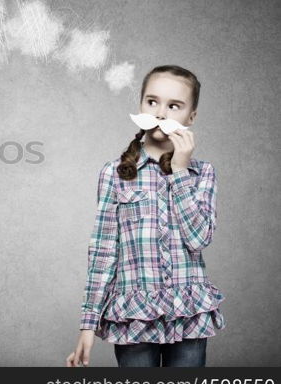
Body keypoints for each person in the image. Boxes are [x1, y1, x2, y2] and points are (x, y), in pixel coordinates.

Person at [66, 65, 225, 367]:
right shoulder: (114, 174)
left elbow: (199, 238)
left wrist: (179, 171)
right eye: (152, 102)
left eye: (174, 106)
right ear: (141, 105)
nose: (161, 113)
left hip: (187, 313)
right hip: (133, 316)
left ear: (191, 117)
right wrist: (88, 325)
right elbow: (102, 252)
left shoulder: (202, 173)